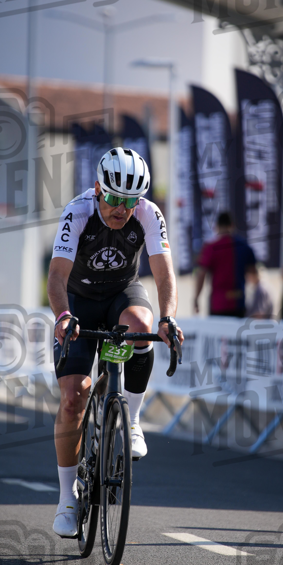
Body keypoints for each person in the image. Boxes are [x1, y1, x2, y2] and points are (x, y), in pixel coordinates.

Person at [47, 147, 184, 539]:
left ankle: (133, 418)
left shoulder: (148, 214)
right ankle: (67, 498)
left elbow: (164, 275)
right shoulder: (78, 212)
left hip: (122, 294)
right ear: (97, 189)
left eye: (129, 201)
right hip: (78, 302)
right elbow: (56, 275)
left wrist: (168, 317)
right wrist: (63, 316)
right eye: (113, 199)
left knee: (142, 324)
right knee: (74, 396)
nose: (121, 209)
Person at [193, 211, 257, 318]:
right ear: (232, 225)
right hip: (238, 302)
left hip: (218, 303)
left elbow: (201, 274)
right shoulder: (244, 247)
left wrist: (196, 297)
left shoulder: (211, 247)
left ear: (216, 227)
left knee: (218, 333)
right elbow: (254, 274)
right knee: (236, 334)